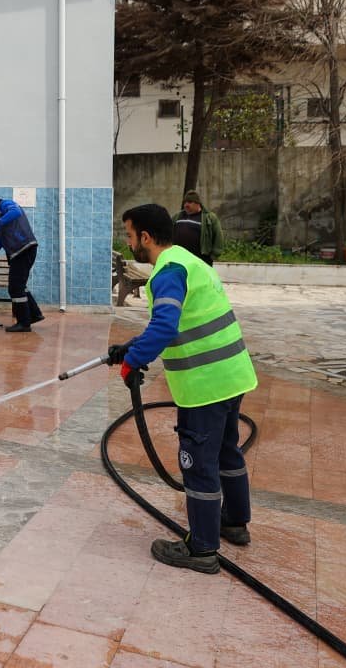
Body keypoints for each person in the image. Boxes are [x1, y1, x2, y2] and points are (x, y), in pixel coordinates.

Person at [111, 203, 257, 574]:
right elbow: (179, 321)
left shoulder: (168, 273)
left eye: (129, 235)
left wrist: (133, 361)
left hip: (205, 384)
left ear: (145, 236)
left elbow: (164, 328)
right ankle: (234, 523)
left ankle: (203, 549)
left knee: (197, 463)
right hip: (232, 374)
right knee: (227, 451)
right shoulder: (189, 261)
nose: (128, 242)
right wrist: (132, 347)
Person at [0, 193, 44, 333]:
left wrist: (0, 223)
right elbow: (0, 239)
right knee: (19, 286)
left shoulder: (6, 204)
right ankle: (34, 314)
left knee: (15, 288)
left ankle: (24, 323)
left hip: (24, 249)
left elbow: (17, 211)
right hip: (18, 252)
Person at [173, 191, 225, 266]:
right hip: (180, 260)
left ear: (198, 203)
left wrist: (213, 256)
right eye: (185, 202)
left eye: (190, 202)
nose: (186, 205)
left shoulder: (209, 218)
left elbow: (218, 236)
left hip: (201, 261)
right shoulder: (177, 216)